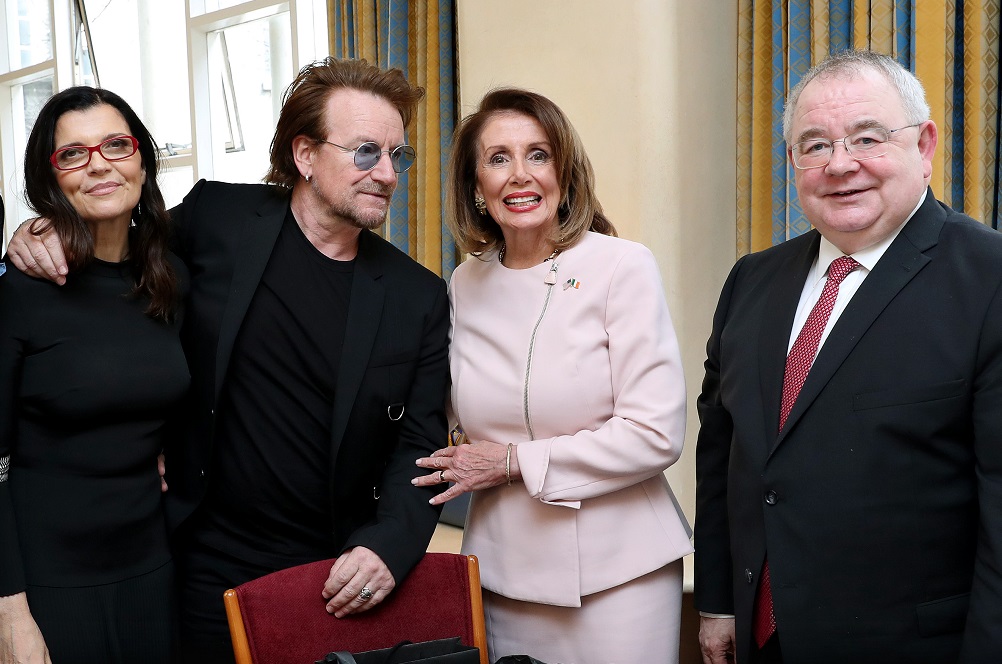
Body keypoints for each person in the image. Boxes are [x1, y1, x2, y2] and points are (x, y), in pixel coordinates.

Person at [7, 58, 450, 663]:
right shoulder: (217, 219)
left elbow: (420, 447)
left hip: (333, 575)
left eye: (398, 156)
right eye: (366, 151)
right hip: (193, 565)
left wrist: (389, 547)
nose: (387, 174)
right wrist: (41, 233)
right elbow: (122, 265)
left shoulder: (417, 295)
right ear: (304, 155)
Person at [694, 49, 1002, 664]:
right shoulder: (751, 282)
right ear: (792, 162)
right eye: (814, 145)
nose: (840, 165)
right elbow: (724, 458)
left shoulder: (989, 279)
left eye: (867, 137)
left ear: (924, 145)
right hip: (764, 637)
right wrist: (719, 603)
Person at [413, 88, 692, 663]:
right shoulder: (462, 285)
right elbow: (441, 416)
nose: (520, 176)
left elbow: (655, 432)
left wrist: (515, 462)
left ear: (565, 170)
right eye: (498, 158)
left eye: (538, 154)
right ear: (474, 185)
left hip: (621, 574)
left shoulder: (621, 265)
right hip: (503, 572)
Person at [0, 86, 188, 664]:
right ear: (51, 176)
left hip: (151, 570)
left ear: (141, 160)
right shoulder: (19, 291)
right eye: (73, 154)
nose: (99, 163)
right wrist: (10, 615)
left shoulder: (170, 279)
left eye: (115, 144)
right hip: (46, 585)